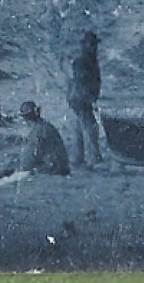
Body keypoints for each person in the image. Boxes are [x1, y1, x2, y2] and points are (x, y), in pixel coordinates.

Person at [66, 31, 103, 167]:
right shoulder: (82, 61)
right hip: (81, 98)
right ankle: (93, 159)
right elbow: (81, 81)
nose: (94, 47)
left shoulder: (89, 60)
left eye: (95, 44)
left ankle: (77, 157)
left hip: (78, 98)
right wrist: (89, 98)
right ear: (85, 45)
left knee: (79, 127)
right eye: (92, 44)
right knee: (91, 127)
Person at [16, 101, 70, 177]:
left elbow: (28, 161)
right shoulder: (46, 126)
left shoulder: (37, 131)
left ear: (26, 118)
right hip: (60, 167)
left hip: (52, 170)